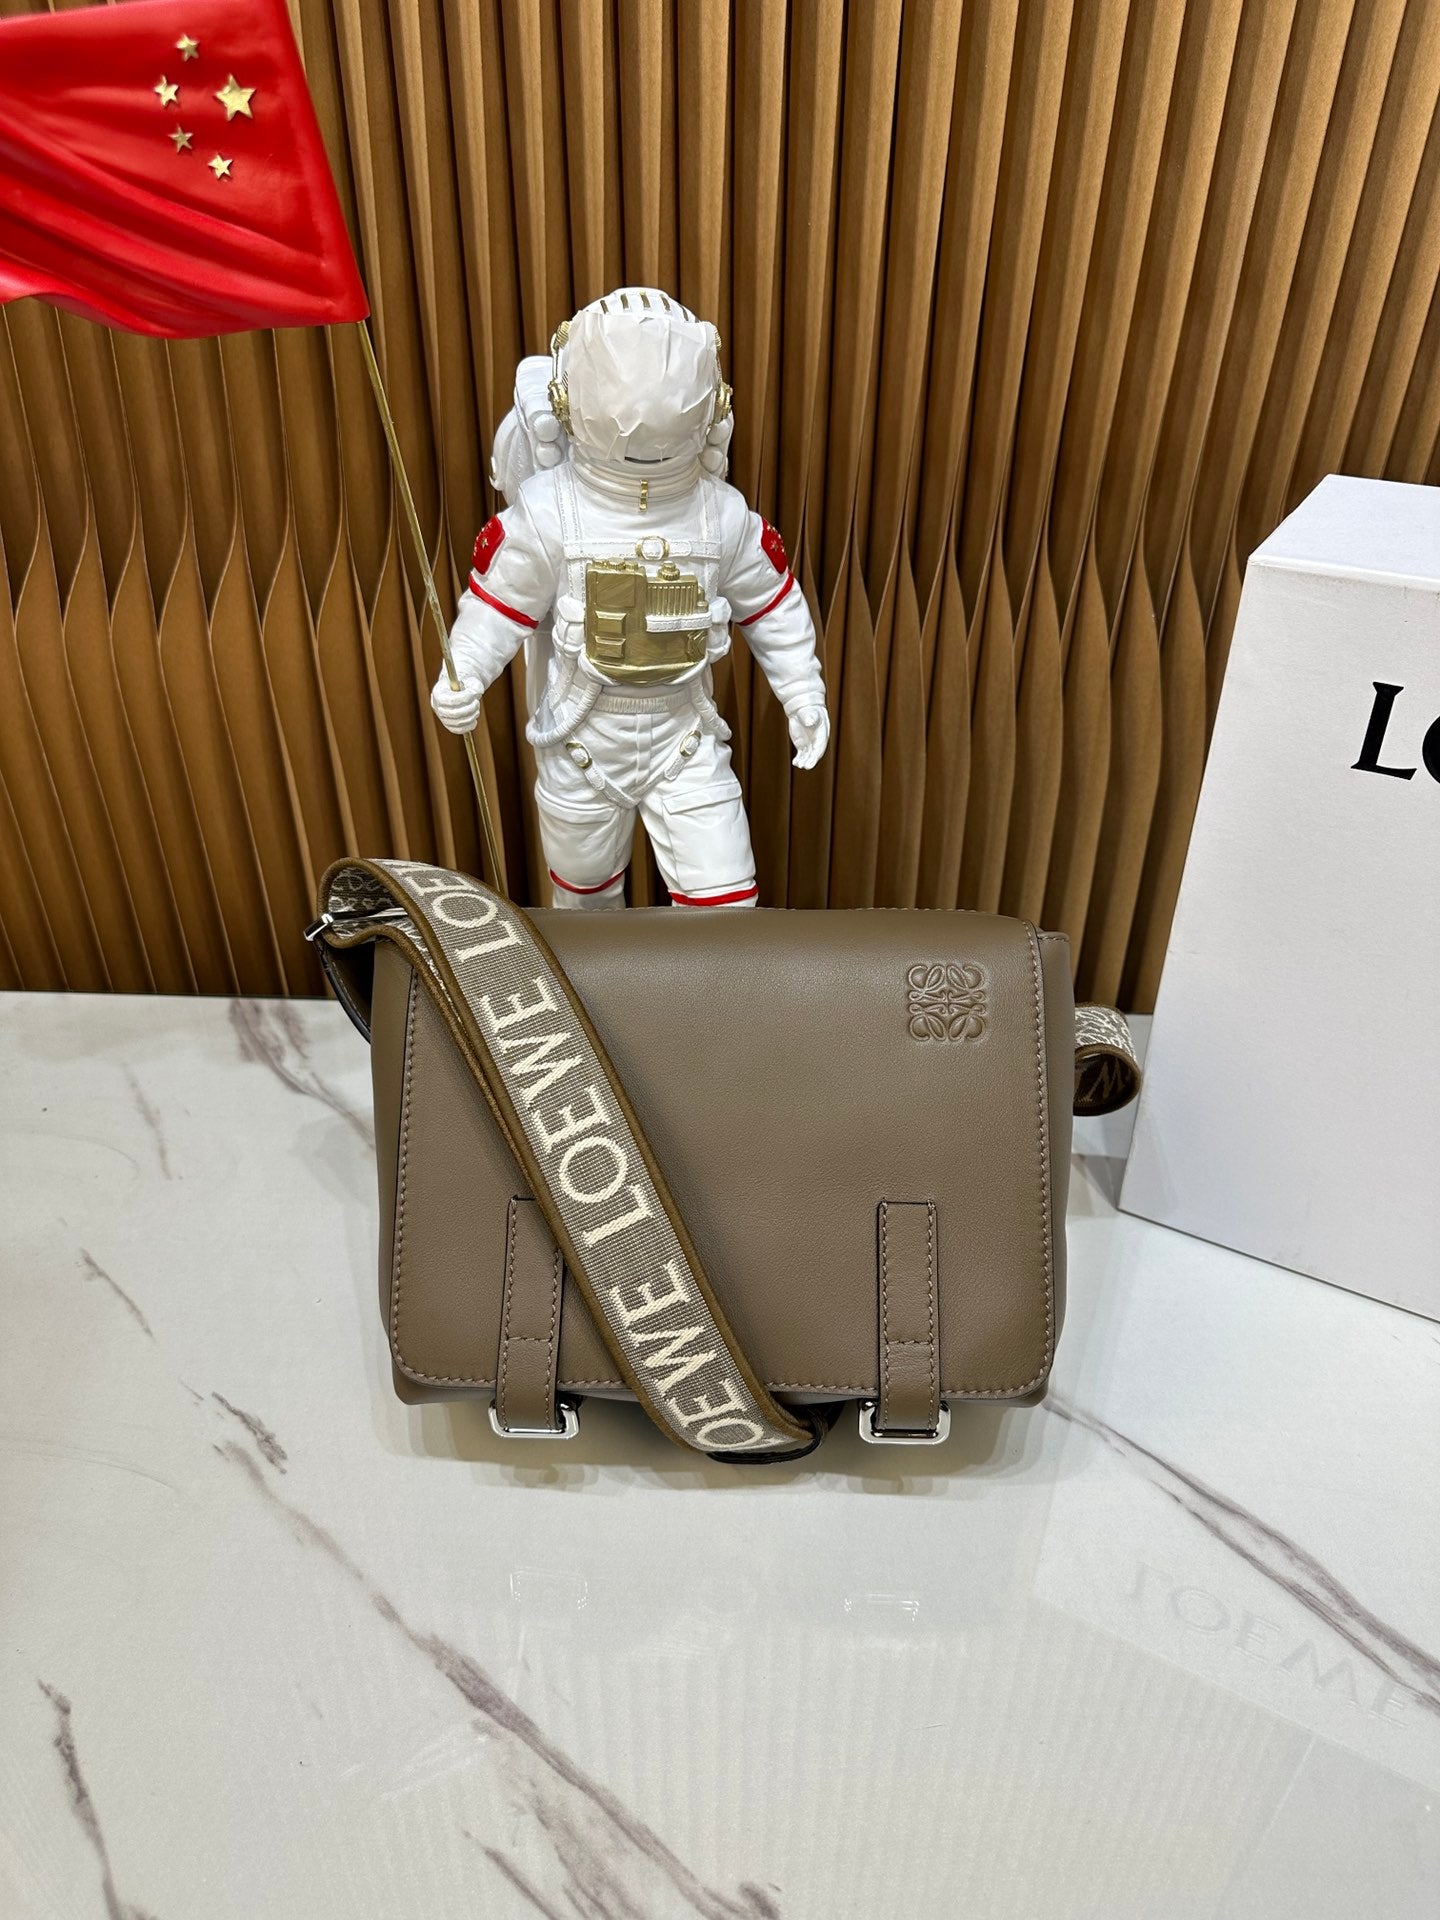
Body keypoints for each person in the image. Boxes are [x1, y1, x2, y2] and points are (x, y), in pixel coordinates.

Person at [430, 288, 829, 909]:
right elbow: (496, 609)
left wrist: (802, 690)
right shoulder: (549, 514)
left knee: (725, 907)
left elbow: (772, 604)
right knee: (587, 913)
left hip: (686, 740)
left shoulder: (720, 514)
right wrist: (464, 675)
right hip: (581, 743)